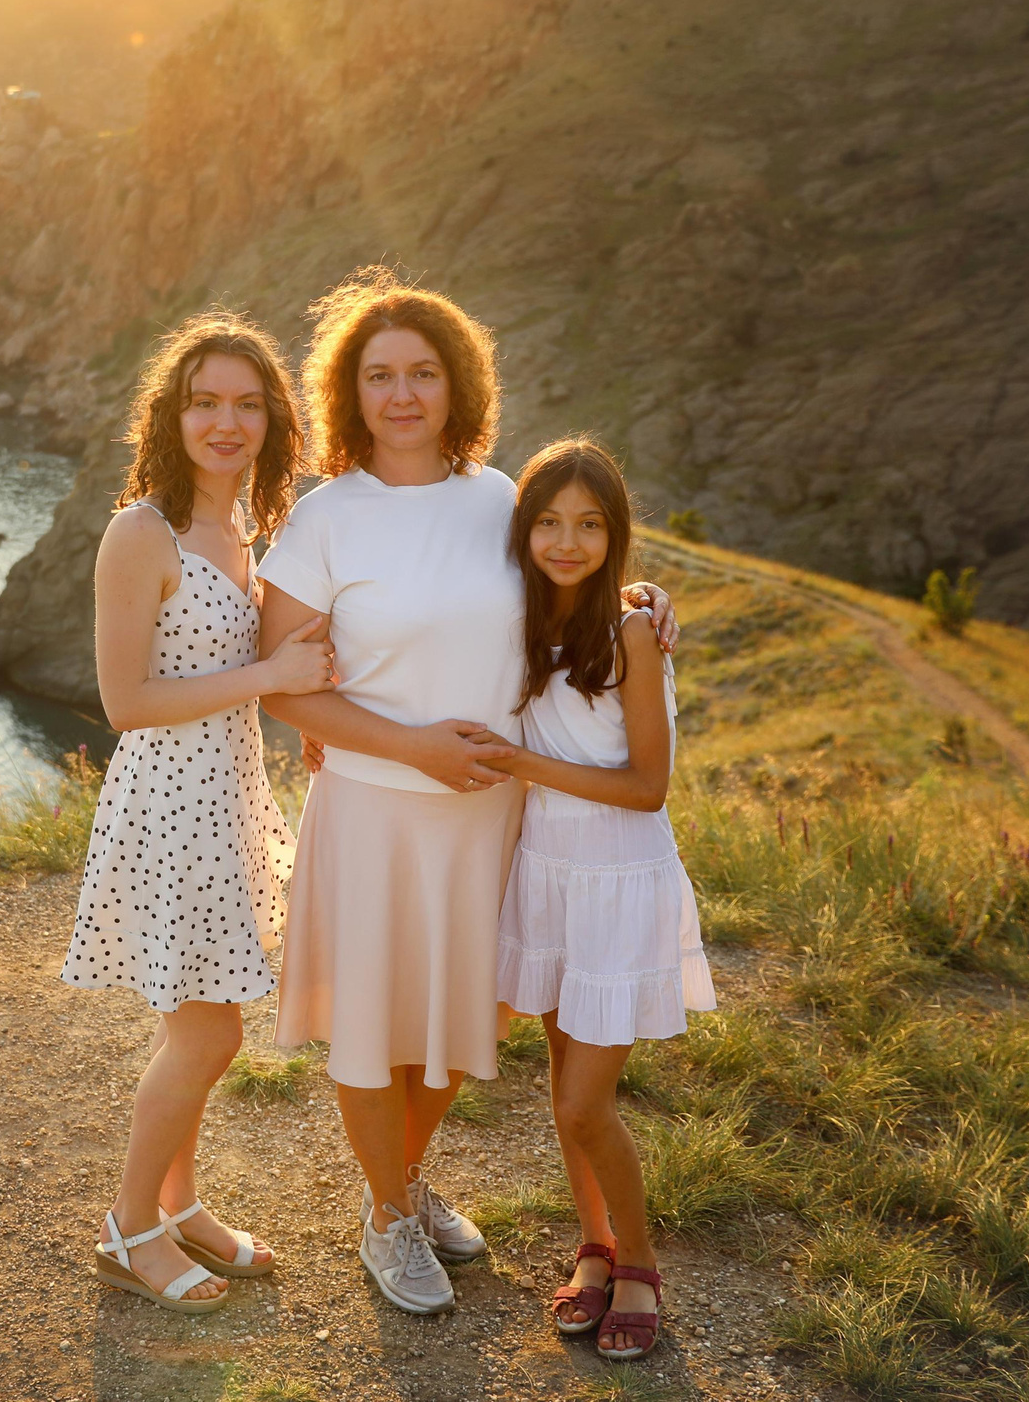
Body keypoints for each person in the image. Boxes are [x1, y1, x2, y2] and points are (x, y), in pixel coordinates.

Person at [255, 268, 676, 1316]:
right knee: (369, 1022)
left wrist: (642, 597)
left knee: (455, 1022)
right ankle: (389, 1219)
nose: (402, 395)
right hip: (371, 809)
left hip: (490, 815)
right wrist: (409, 746)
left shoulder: (499, 500)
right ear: (350, 394)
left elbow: (568, 573)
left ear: (458, 386)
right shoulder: (322, 521)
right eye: (380, 375)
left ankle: (395, 1184)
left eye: (424, 374)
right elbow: (289, 694)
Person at [62, 311, 334, 1315]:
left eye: (246, 404)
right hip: (167, 806)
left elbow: (234, 671)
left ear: (272, 420)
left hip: (224, 798)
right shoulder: (143, 532)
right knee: (208, 1035)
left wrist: (291, 705)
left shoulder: (244, 528)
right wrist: (268, 675)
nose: (226, 421)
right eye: (204, 402)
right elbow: (125, 703)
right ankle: (129, 1227)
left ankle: (180, 1207)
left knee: (207, 1023)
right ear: (170, 418)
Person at [484, 437, 713, 1358]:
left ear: (616, 535)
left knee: (587, 1103)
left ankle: (643, 1263)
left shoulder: (628, 631)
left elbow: (649, 785)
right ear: (524, 530)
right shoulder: (523, 617)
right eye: (547, 521)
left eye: (588, 524)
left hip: (619, 878)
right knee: (559, 1072)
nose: (567, 540)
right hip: (548, 870)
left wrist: (525, 764)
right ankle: (594, 1244)